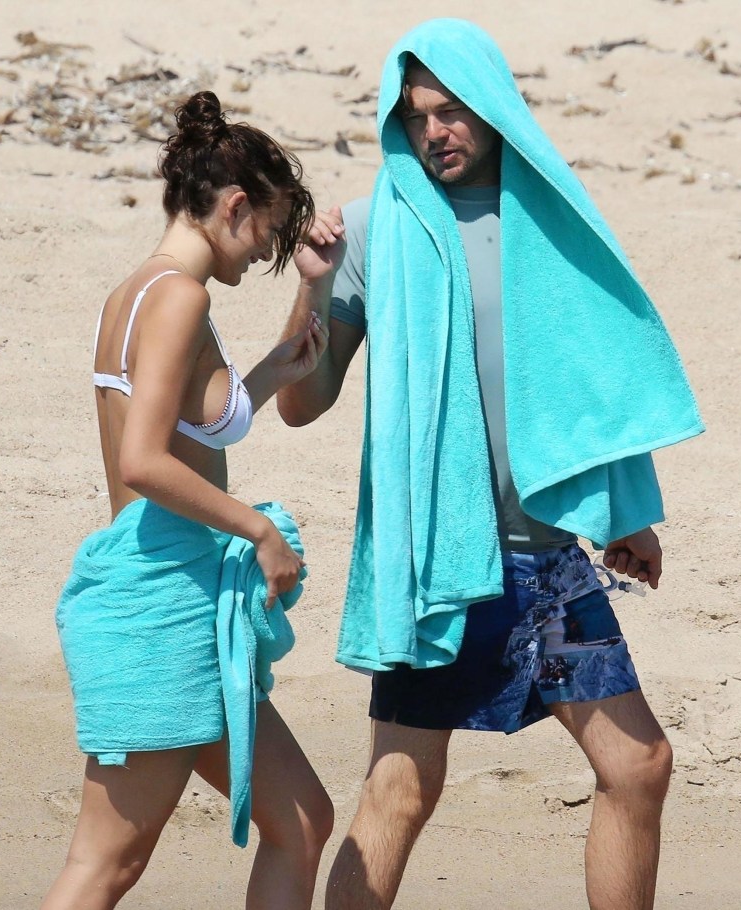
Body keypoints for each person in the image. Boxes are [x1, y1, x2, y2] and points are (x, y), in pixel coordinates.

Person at [278, 19, 703, 910]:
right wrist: (314, 284)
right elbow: (301, 401)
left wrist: (623, 510)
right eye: (419, 114)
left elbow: (589, 385)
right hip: (443, 563)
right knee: (402, 786)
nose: (437, 131)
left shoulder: (549, 223)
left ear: (497, 110)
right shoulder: (371, 229)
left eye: (454, 111)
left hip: (548, 558)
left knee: (639, 766)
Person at [43, 91, 335, 910]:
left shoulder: (138, 290)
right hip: (158, 605)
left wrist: (304, 311)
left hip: (177, 599)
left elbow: (211, 414)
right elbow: (143, 462)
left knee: (303, 820)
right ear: (235, 206)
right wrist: (259, 534)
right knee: (107, 863)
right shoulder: (182, 297)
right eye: (269, 235)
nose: (262, 256)